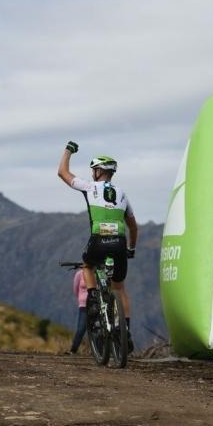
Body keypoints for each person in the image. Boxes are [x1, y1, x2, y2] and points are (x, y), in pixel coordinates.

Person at [57, 141, 137, 352]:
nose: (93, 173)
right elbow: (133, 226)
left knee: (87, 265)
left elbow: (62, 173)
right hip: (119, 243)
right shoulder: (122, 194)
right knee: (119, 289)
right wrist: (131, 248)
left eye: (94, 170)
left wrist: (68, 150)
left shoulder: (90, 187)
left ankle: (93, 298)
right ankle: (125, 330)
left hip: (98, 240)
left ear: (99, 171)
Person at [66, 267, 88, 355]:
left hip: (96, 304)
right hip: (84, 305)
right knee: (81, 329)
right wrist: (81, 298)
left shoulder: (98, 272)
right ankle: (73, 350)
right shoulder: (80, 274)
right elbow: (75, 288)